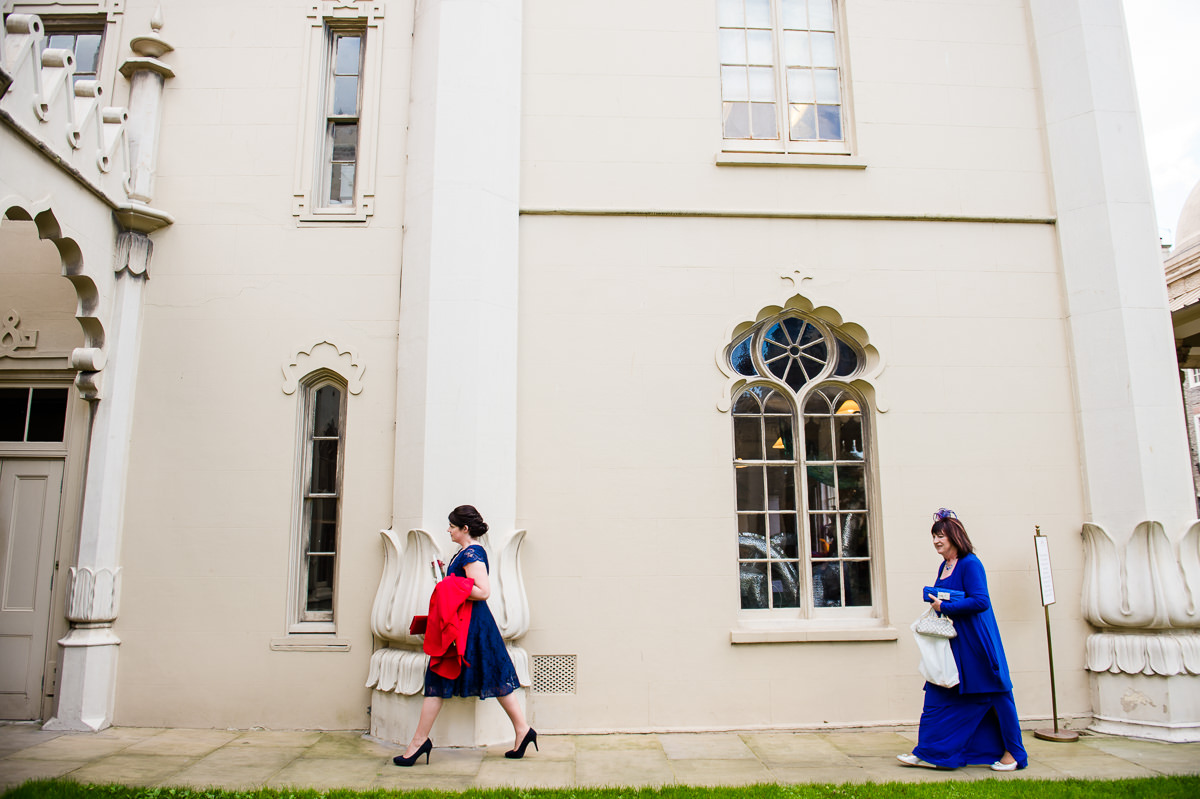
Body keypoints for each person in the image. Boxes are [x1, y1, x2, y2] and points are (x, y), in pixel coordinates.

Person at [394, 505, 537, 766]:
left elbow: (483, 591)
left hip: (471, 626)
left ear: (464, 529)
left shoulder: (472, 553)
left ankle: (419, 742)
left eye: (452, 526)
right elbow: (464, 587)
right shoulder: (463, 553)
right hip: (465, 623)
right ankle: (522, 730)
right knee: (481, 674)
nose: (448, 530)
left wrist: (447, 584)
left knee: (445, 675)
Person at [897, 509, 1028, 772]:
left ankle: (1014, 754)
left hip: (977, 643)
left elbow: (981, 601)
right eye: (934, 536)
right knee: (938, 693)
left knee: (997, 695)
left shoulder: (970, 563)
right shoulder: (944, 565)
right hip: (953, 642)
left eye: (941, 535)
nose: (936, 541)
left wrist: (944, 606)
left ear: (955, 536)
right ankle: (929, 751)